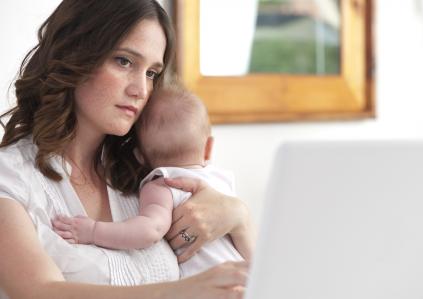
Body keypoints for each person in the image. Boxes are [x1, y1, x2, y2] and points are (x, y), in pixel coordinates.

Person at [0, 1, 255, 299]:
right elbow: (38, 292)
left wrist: (239, 217)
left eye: (151, 73)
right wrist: (179, 293)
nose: (141, 90)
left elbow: (254, 276)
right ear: (75, 54)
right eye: (124, 61)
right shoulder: (11, 179)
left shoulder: (147, 170)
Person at [52, 85, 249, 278]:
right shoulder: (221, 181)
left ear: (139, 157)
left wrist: (93, 231)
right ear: (208, 147)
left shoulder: (163, 184)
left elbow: (149, 230)